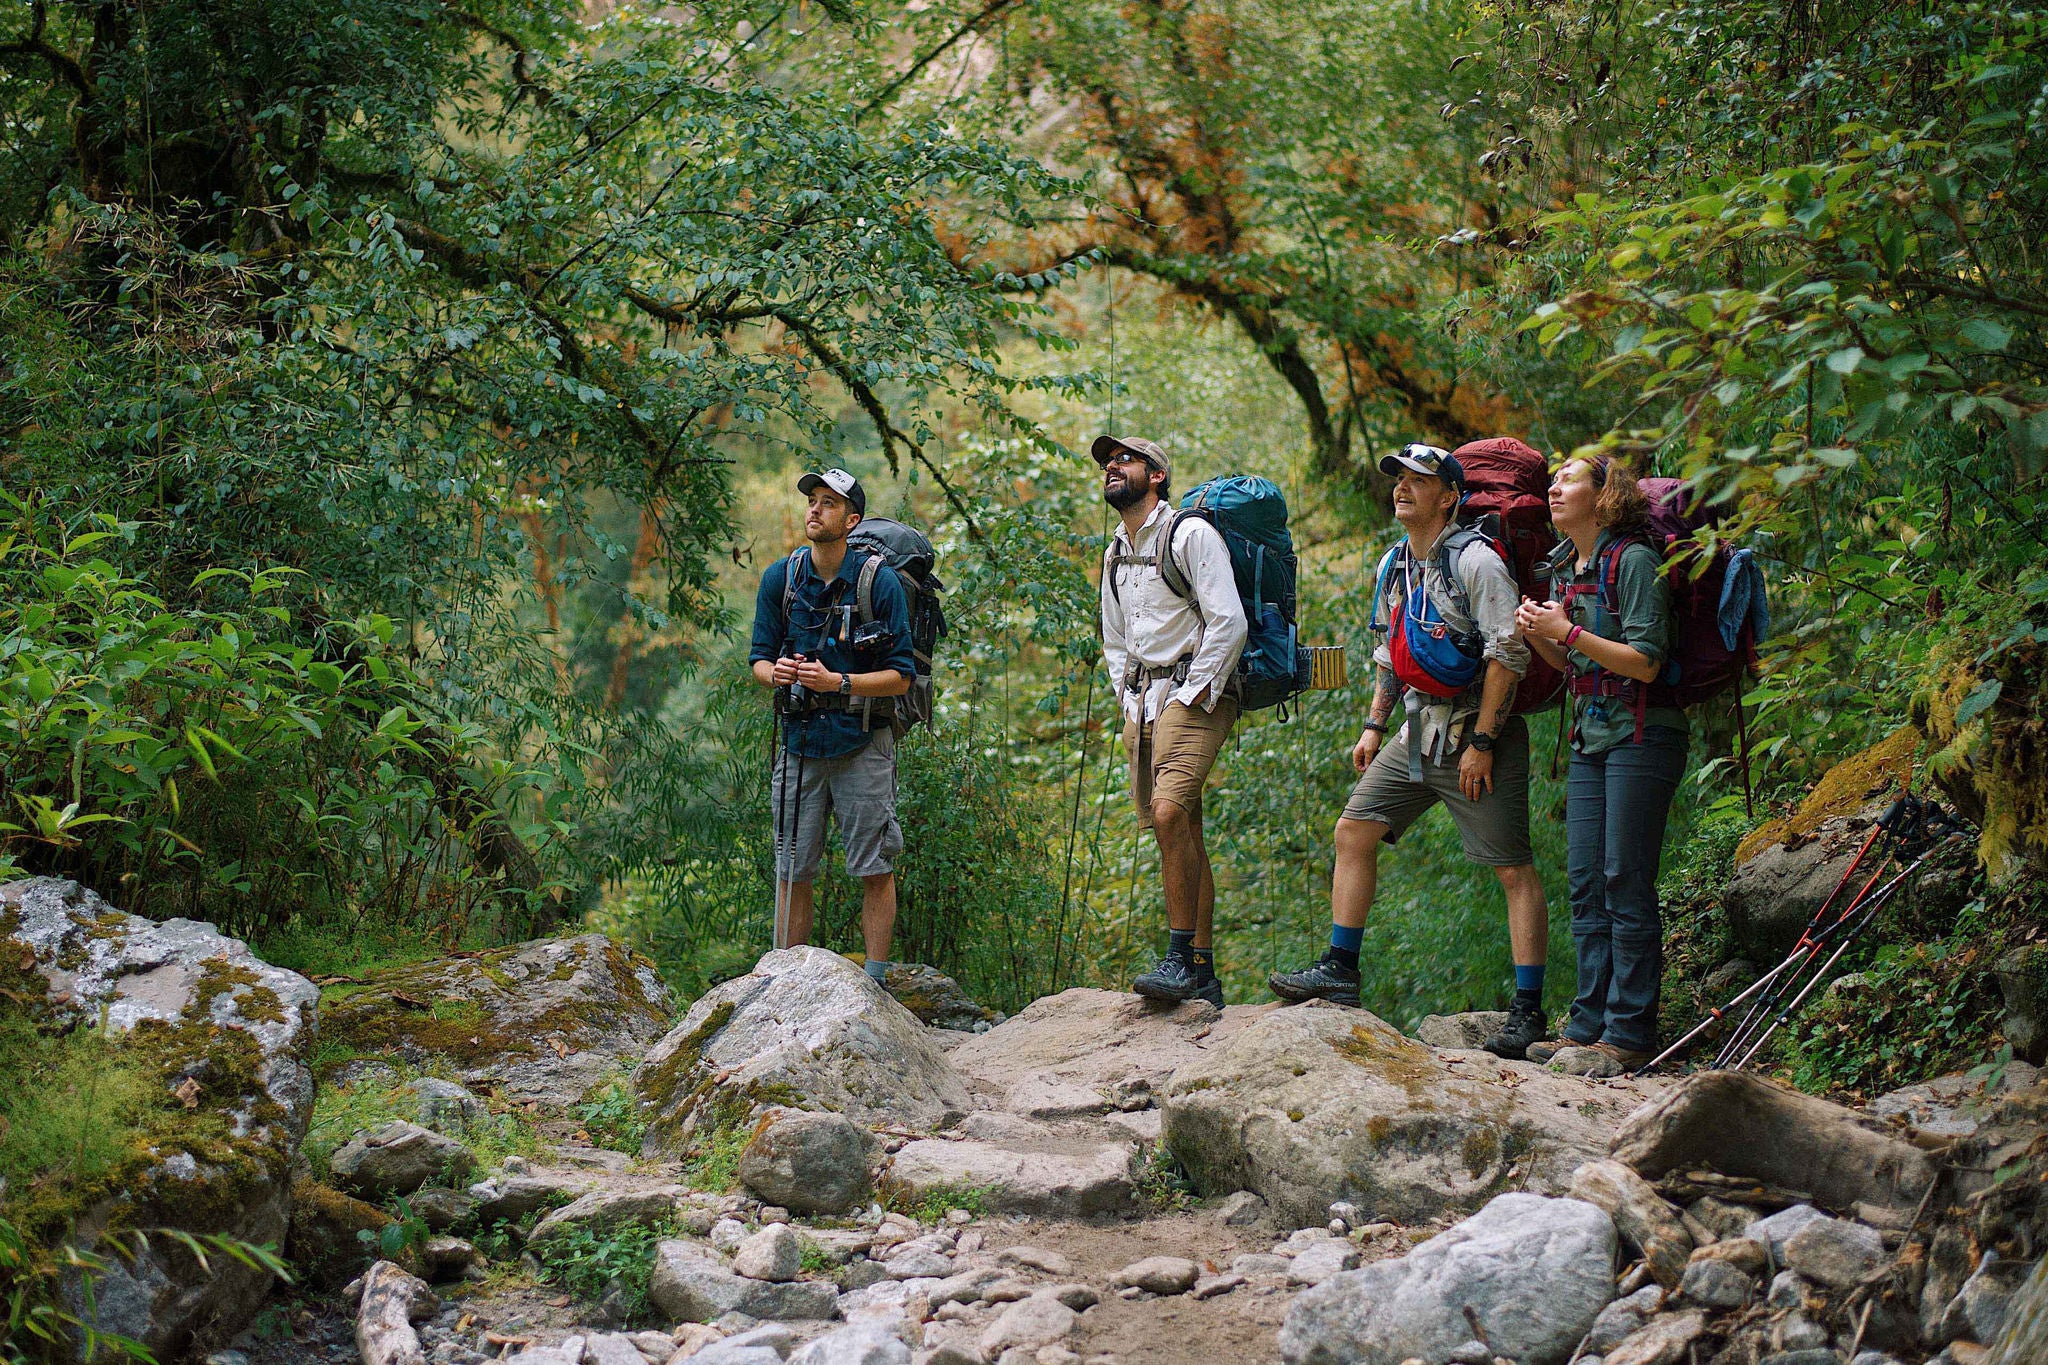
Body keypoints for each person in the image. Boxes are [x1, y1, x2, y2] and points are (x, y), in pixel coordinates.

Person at [1268, 443, 1552, 1062]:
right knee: (1354, 829)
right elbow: (1387, 650)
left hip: (1479, 736)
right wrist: (1374, 725)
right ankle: (1341, 968)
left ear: (1448, 496)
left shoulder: (1477, 562)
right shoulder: (1396, 564)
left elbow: (1509, 652)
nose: (1401, 487)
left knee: (1512, 868)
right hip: (1416, 730)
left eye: (1417, 479)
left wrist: (1483, 740)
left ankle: (1528, 1011)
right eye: (1397, 478)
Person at [1514, 456, 1685, 1077]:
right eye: (1553, 479)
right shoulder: (1568, 566)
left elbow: (1645, 661)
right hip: (1591, 736)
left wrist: (1569, 633)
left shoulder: (1634, 559)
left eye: (1568, 480)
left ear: (1604, 494)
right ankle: (1587, 1027)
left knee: (1624, 879)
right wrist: (1541, 634)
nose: (1554, 489)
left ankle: (1631, 1032)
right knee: (1586, 879)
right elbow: (1571, 668)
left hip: (1645, 734)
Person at [1096, 434, 1248, 1008]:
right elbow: (1114, 635)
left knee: (1167, 814)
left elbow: (1228, 622)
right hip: (1143, 701)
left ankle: (1180, 958)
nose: (1112, 466)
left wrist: (1192, 691)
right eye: (1108, 461)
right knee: (1179, 827)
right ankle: (1203, 969)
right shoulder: (1114, 550)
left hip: (1196, 691)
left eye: (1125, 459)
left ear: (1156, 475)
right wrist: (1125, 694)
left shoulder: (1190, 534)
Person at [748, 468, 916, 984]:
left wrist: (837, 682)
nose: (814, 510)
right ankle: (785, 981)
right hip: (798, 743)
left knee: (873, 866)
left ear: (852, 520)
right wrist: (773, 673)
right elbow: (757, 659)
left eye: (828, 503)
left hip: (862, 741)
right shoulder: (782, 578)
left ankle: (877, 981)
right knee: (792, 869)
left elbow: (902, 677)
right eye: (812, 501)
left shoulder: (877, 582)